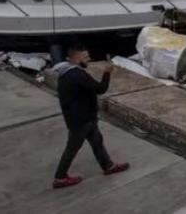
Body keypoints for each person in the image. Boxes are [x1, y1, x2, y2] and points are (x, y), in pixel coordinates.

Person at [50, 45, 129, 188]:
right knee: (72, 148)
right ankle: (60, 177)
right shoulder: (78, 75)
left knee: (97, 141)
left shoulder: (66, 71)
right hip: (81, 121)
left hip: (85, 118)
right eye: (85, 57)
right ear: (76, 58)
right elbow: (100, 89)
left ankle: (108, 166)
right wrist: (107, 73)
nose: (89, 59)